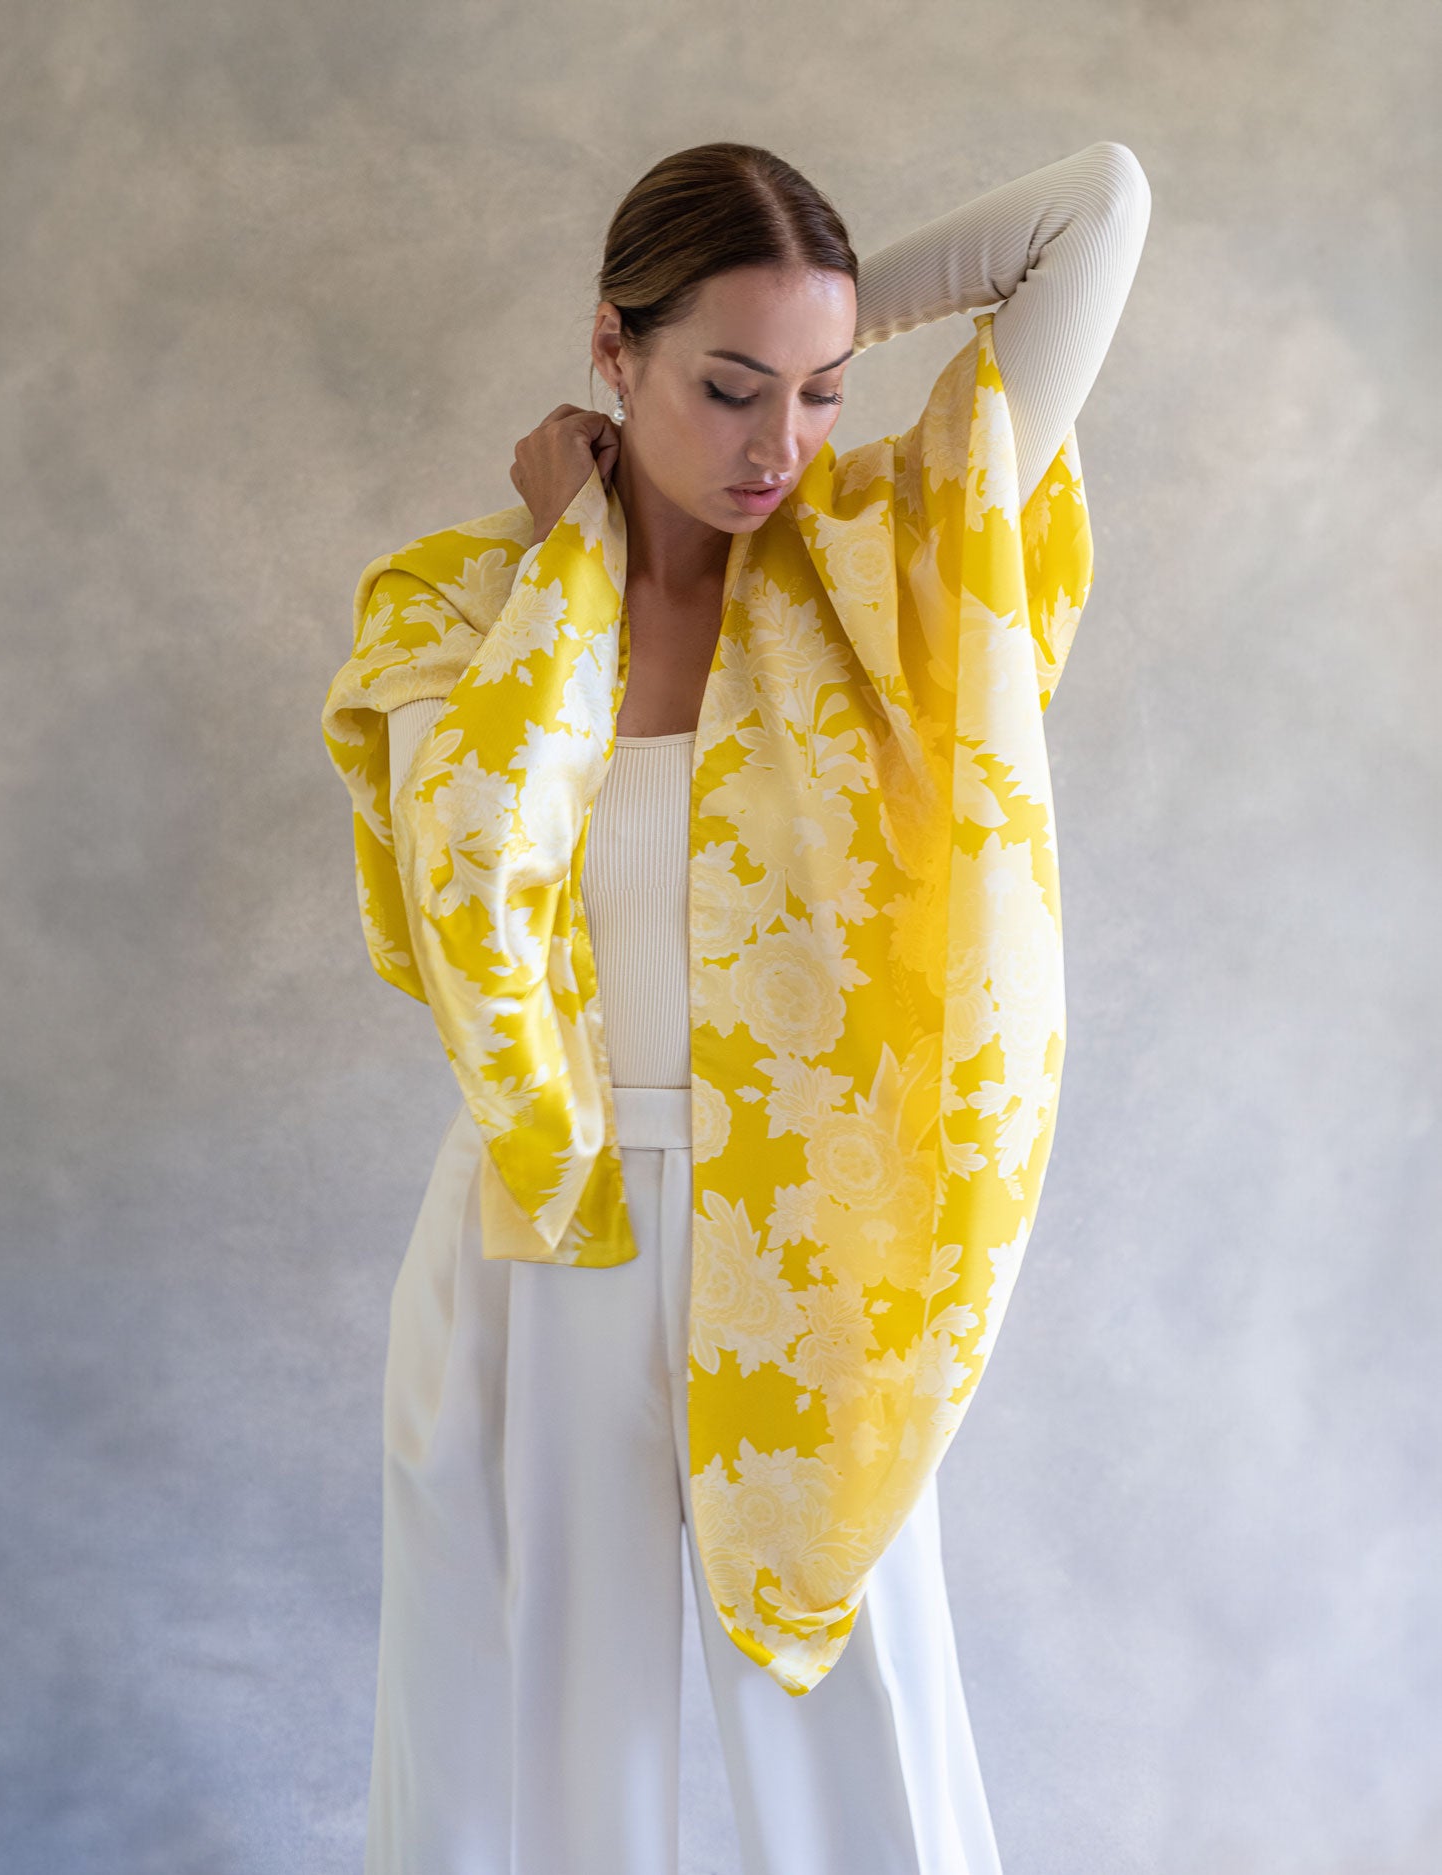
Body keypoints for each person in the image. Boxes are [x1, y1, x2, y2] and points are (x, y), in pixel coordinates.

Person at [331, 137, 1151, 1875]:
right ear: (610, 354)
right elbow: (463, 870)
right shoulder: (455, 602)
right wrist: (573, 562)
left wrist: (825, 306)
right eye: (726, 386)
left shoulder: (879, 582)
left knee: (873, 1746)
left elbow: (1102, 205)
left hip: (810, 1231)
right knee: (526, 1768)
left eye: (823, 393)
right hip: (542, 1233)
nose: (780, 447)